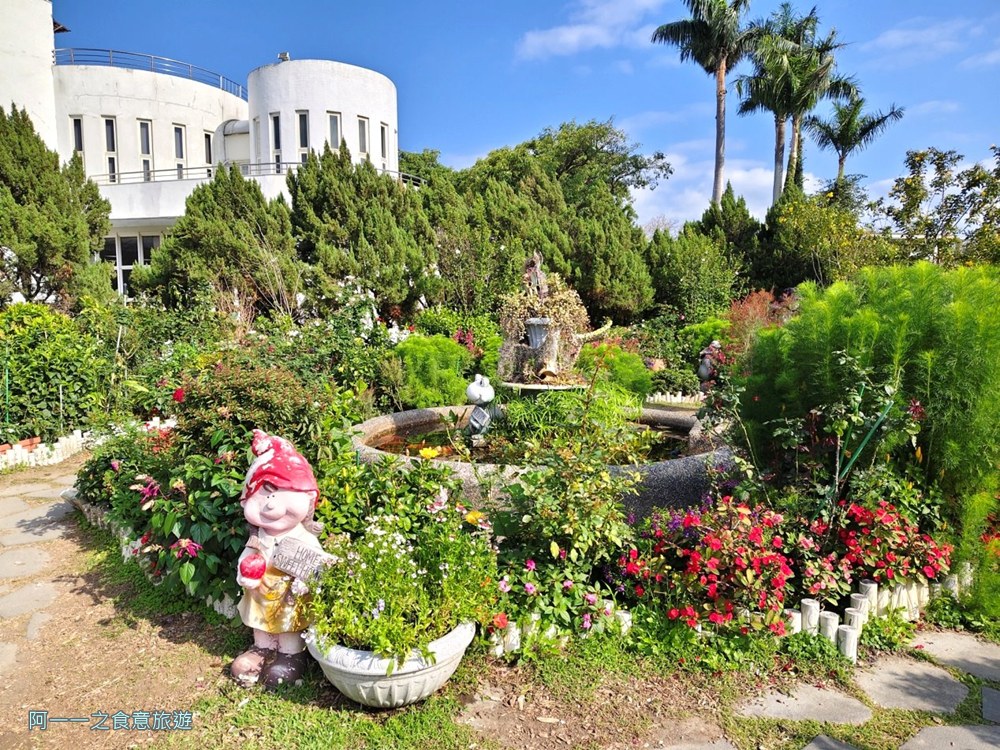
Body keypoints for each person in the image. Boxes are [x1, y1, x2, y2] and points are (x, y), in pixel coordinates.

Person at [230, 429, 324, 688]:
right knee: (259, 622)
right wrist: (245, 573)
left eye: (280, 492)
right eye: (263, 493)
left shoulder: (301, 537)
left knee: (289, 623)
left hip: (289, 595)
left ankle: (291, 655)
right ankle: (261, 648)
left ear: (308, 499)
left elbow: (316, 565)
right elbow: (247, 556)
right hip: (260, 593)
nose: (271, 504)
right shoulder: (257, 537)